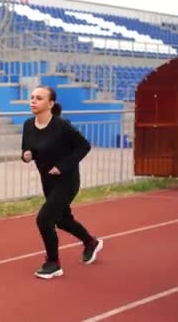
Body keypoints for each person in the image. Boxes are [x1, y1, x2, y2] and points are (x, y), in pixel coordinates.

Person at [20, 85, 103, 279]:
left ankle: (53, 263)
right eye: (32, 97)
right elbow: (26, 151)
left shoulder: (61, 125)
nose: (33, 101)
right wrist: (26, 156)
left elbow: (84, 146)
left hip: (67, 179)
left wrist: (62, 166)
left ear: (50, 104)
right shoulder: (28, 125)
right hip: (47, 181)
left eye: (39, 98)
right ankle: (90, 242)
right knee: (62, 220)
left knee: (44, 218)